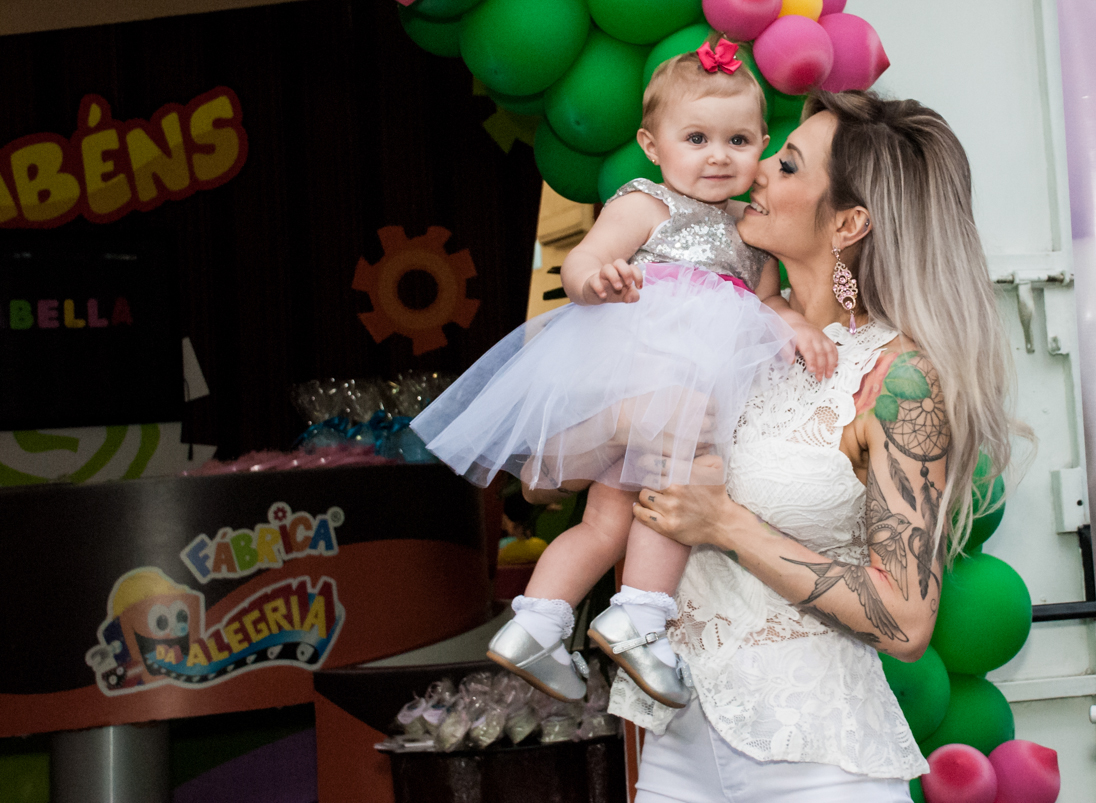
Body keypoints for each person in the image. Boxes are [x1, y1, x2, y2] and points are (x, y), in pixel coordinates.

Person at [610, 89, 1029, 802]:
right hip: (678, 751)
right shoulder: (713, 332)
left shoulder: (897, 378)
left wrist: (727, 524)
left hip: (818, 766)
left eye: (790, 163)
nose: (760, 167)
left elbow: (904, 618)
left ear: (849, 221)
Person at [410, 41, 835, 707]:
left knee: (607, 521)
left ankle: (537, 622)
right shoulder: (646, 203)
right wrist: (597, 278)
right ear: (652, 144)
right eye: (696, 138)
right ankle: (639, 614)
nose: (718, 155)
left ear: (760, 145)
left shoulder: (748, 235)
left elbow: (768, 304)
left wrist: (795, 322)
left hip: (676, 387)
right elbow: (580, 266)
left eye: (738, 139)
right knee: (676, 488)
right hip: (641, 373)